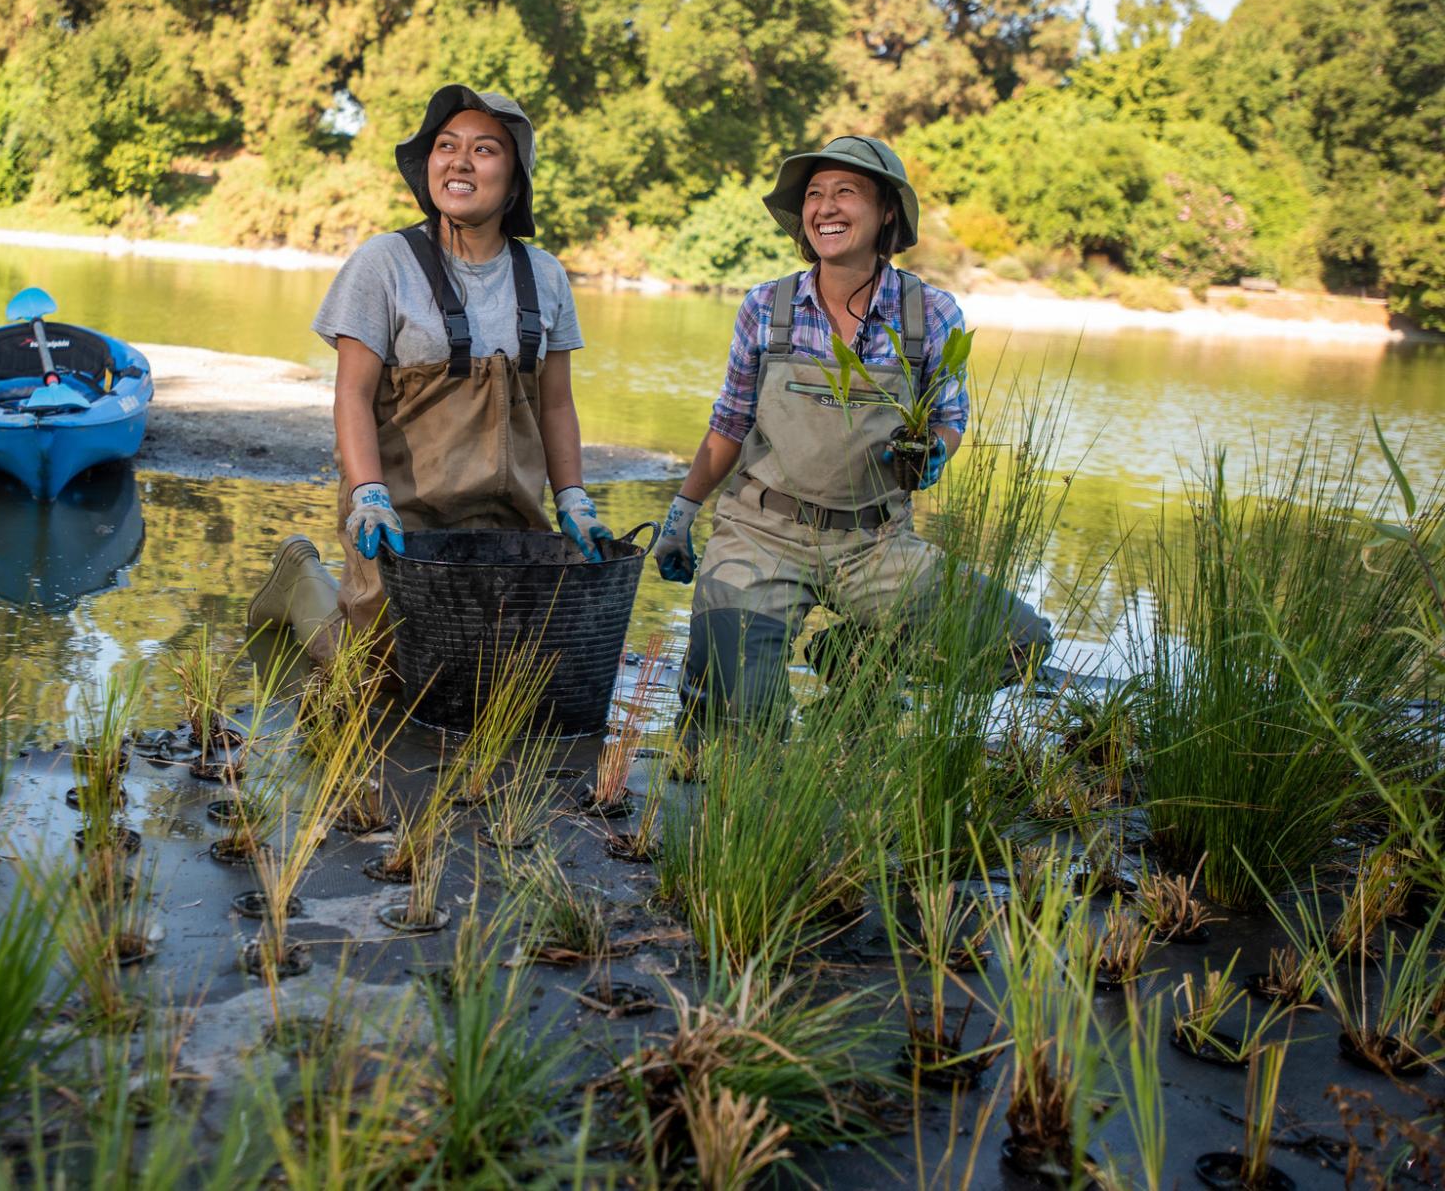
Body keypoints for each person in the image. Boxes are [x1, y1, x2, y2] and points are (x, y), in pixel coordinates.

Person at [650, 135, 1051, 720]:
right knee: (738, 720)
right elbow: (729, 423)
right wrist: (679, 518)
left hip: (876, 544)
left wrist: (935, 450)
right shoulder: (765, 307)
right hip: (760, 536)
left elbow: (950, 417)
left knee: (1018, 644)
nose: (825, 207)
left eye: (847, 192)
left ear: (887, 210)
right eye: (814, 194)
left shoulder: (930, 313)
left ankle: (854, 662)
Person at [246, 84, 616, 665]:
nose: (460, 160)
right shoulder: (383, 264)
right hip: (402, 515)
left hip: (511, 520)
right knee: (379, 672)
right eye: (447, 145)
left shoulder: (545, 276)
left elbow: (556, 406)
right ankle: (303, 584)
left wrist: (573, 500)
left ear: (515, 181)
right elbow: (352, 394)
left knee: (507, 672)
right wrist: (368, 494)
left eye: (485, 149)